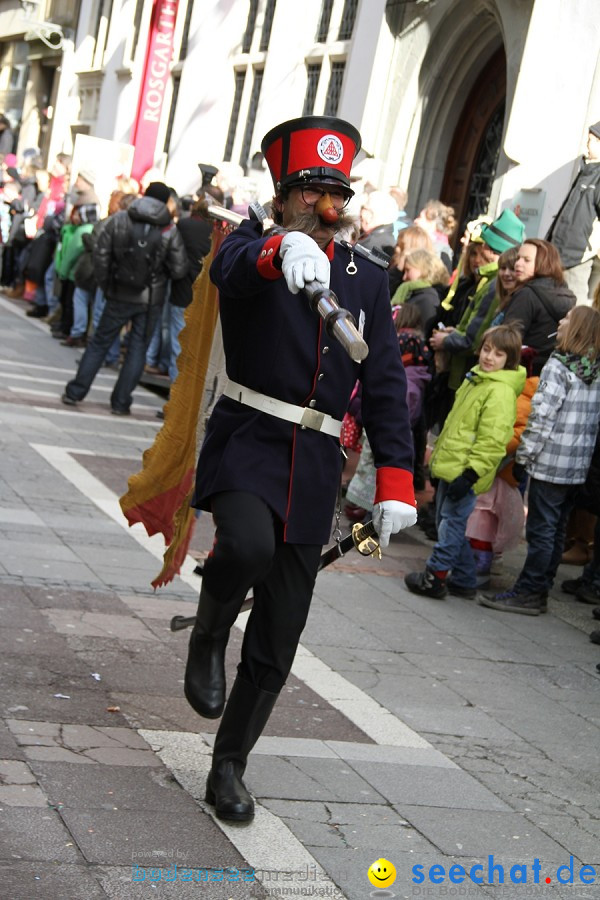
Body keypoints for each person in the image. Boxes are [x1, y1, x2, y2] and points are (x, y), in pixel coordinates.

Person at [184, 116, 417, 824]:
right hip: (249, 436)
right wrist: (275, 249)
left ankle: (229, 765)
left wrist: (396, 482)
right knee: (247, 545)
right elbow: (229, 272)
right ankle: (208, 630)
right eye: (311, 189)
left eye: (335, 192)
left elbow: (381, 382)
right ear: (285, 195)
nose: (326, 204)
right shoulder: (253, 247)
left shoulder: (366, 278)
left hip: (316, 463)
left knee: (281, 631)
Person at [480, 306, 600, 615]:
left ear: (575, 330)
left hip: (549, 463)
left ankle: (530, 591)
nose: (560, 322)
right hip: (576, 466)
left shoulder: (558, 368)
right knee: (557, 528)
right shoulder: (593, 370)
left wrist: (524, 456)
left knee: (541, 530)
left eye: (567, 320)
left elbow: (541, 418)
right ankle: (542, 584)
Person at [405, 324, 526, 599]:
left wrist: (471, 474)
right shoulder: (477, 380)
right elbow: (454, 427)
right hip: (452, 466)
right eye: (486, 350)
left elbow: (492, 440)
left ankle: (435, 576)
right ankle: (464, 578)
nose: (489, 357)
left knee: (451, 525)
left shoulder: (500, 392)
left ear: (510, 360)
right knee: (448, 522)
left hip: (466, 471)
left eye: (498, 354)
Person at [61, 181, 188, 415]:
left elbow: (101, 252)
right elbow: (179, 269)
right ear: (164, 202)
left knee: (99, 343)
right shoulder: (169, 229)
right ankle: (120, 403)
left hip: (118, 293)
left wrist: (106, 283)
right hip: (149, 300)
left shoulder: (121, 219)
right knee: (137, 349)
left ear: (144, 195)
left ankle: (75, 392)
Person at [429, 209, 525, 392]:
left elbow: (474, 338)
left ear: (489, 249)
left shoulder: (493, 285)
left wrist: (446, 340)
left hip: (467, 371)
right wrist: (455, 332)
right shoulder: (488, 280)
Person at [502, 238, 576, 375]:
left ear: (543, 263)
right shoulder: (567, 295)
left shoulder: (527, 294)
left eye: (526, 260)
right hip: (548, 373)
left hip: (521, 372)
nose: (518, 264)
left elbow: (507, 340)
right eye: (518, 258)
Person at [546, 121, 600, 304]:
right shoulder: (587, 172)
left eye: (591, 140)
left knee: (572, 309)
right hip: (559, 255)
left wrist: (592, 251)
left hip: (578, 258)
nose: (587, 144)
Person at [391, 247, 449, 331]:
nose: (404, 277)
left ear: (423, 269)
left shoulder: (428, 300)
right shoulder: (414, 293)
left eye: (408, 270)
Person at [356, 190, 399, 261]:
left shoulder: (371, 246)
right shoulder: (386, 238)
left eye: (363, 208)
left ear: (372, 215)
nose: (360, 213)